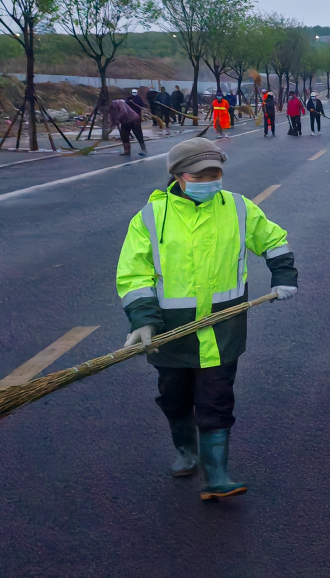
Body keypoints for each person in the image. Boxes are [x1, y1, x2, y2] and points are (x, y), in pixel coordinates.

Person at [116, 138, 298, 500]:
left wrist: (283, 276)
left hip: (222, 329)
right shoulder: (151, 218)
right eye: (200, 174)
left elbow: (272, 239)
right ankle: (186, 449)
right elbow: (135, 274)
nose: (210, 180)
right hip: (172, 331)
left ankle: (217, 475)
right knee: (175, 397)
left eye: (215, 172)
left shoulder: (238, 208)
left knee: (216, 400)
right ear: (179, 177)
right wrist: (143, 320)